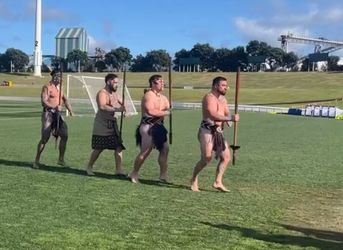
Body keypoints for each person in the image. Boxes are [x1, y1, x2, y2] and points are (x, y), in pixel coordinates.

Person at [190, 76, 239, 192]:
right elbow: (212, 114)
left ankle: (218, 181)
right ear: (215, 86)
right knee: (206, 158)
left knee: (226, 157)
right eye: (223, 85)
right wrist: (230, 118)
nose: (226, 88)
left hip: (218, 132)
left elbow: (226, 112)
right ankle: (193, 179)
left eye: (226, 86)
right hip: (206, 131)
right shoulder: (209, 98)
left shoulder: (223, 99)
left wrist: (229, 120)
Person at [128, 74, 170, 183]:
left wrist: (167, 109)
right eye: (160, 82)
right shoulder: (148, 95)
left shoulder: (163, 97)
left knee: (165, 149)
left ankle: (163, 175)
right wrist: (166, 112)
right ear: (152, 83)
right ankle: (134, 172)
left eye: (162, 82)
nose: (162, 83)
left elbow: (167, 106)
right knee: (146, 151)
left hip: (160, 126)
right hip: (148, 126)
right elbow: (150, 111)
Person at [86, 73, 126, 176]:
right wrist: (117, 109)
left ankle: (119, 170)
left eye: (118, 83)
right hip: (102, 124)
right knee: (99, 147)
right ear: (108, 82)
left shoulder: (115, 94)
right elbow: (102, 106)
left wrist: (124, 109)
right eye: (115, 82)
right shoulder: (102, 93)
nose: (117, 85)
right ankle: (89, 167)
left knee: (118, 146)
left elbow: (123, 103)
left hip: (113, 124)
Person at [33, 69, 73, 169]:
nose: (60, 78)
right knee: (44, 138)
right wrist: (53, 107)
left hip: (58, 115)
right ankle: (36, 161)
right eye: (58, 75)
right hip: (48, 114)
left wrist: (71, 110)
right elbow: (44, 101)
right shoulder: (47, 87)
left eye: (61, 76)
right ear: (53, 76)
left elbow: (65, 100)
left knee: (64, 135)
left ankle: (61, 159)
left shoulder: (61, 88)